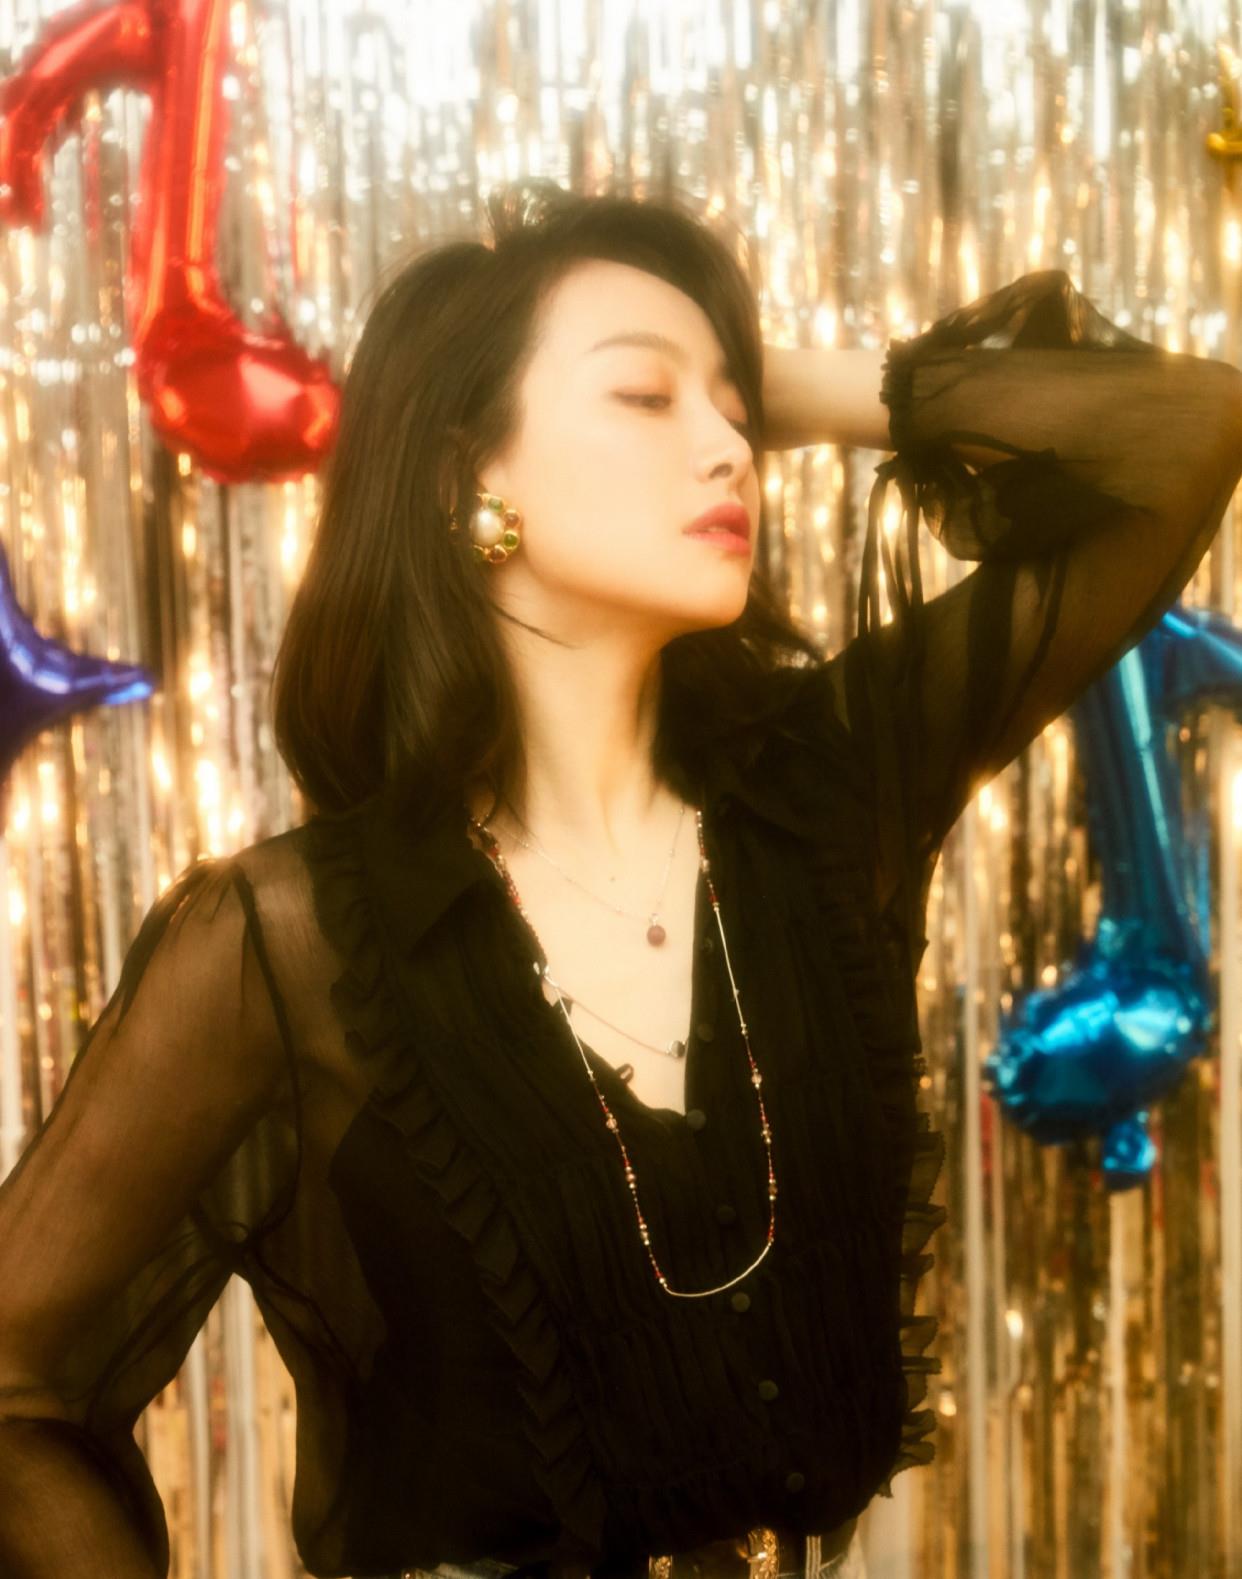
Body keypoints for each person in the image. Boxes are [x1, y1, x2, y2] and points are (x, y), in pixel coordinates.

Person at [1, 177, 1239, 1579]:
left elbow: (1183, 433)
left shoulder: (828, 794)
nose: (730, 449)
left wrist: (748, 367)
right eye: (644, 398)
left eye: (740, 412)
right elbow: (15, 1387)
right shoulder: (290, 942)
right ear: (470, 477)